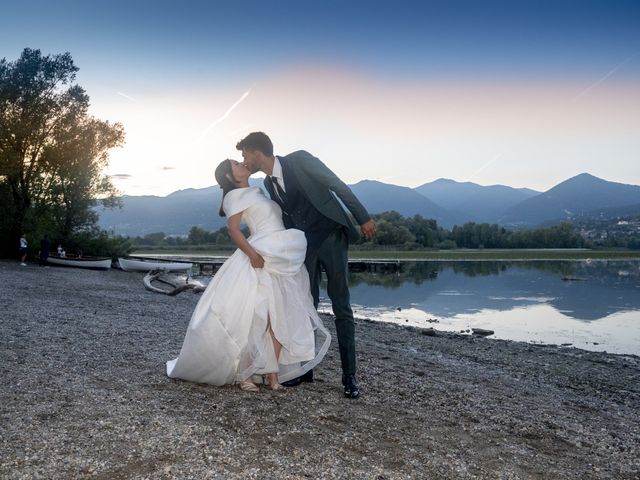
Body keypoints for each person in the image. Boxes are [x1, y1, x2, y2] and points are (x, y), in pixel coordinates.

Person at [167, 159, 330, 392]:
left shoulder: (259, 190)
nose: (242, 163)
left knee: (280, 317)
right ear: (229, 176)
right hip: (261, 253)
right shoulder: (234, 196)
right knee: (260, 317)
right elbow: (233, 229)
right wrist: (253, 255)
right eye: (235, 164)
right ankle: (246, 374)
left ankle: (273, 377)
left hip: (281, 254)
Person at [237, 132, 377, 398]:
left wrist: (363, 217)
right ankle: (307, 369)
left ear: (257, 152)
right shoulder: (268, 182)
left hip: (331, 234)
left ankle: (349, 376)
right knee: (305, 304)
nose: (244, 160)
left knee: (341, 305)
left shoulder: (299, 160)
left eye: (245, 155)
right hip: (304, 245)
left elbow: (335, 184)